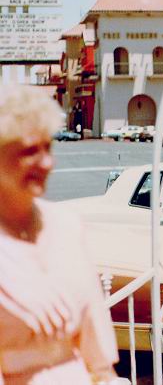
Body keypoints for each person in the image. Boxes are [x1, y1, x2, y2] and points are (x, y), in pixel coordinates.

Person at [0, 85, 120, 384]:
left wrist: (105, 376)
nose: (47, 163)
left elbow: (95, 335)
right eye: (29, 151)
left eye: (48, 147)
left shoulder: (66, 225)